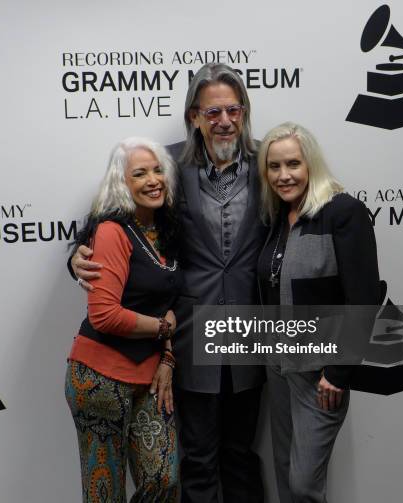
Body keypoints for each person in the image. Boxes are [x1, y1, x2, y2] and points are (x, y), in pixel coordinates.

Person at [72, 63, 267, 503]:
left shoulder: (266, 163)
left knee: (241, 453)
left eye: (233, 110)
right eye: (211, 112)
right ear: (193, 116)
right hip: (189, 333)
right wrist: (77, 257)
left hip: (251, 333)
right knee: (196, 456)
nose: (224, 121)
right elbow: (116, 214)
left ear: (244, 112)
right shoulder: (168, 166)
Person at [256, 122, 380, 502]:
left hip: (320, 373)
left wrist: (340, 372)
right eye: (274, 167)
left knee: (304, 484)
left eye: (293, 163)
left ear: (311, 163)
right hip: (277, 365)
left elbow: (364, 297)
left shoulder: (343, 211)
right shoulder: (277, 218)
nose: (283, 175)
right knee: (284, 471)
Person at [65, 137, 181, 502]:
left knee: (164, 480)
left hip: (149, 376)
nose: (153, 180)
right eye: (140, 173)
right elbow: (105, 315)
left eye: (158, 170)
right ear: (122, 183)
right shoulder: (113, 231)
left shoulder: (167, 231)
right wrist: (164, 328)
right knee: (105, 493)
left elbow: (169, 302)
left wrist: (166, 354)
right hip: (99, 380)